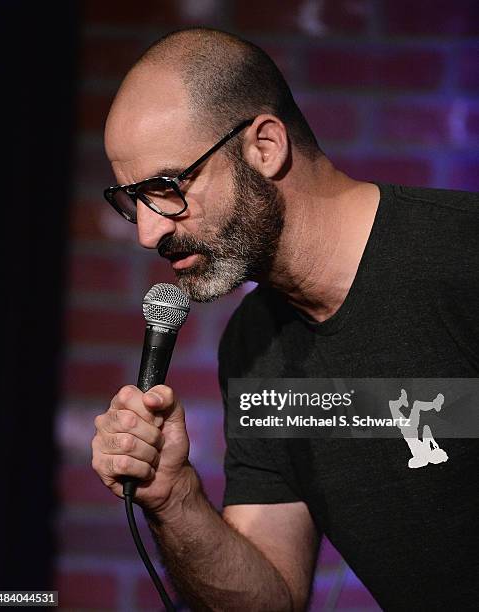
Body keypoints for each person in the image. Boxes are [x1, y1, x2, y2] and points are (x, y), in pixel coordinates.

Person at [91, 27, 479, 610]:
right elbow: (267, 601)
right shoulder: (253, 346)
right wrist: (175, 499)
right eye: (132, 201)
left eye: (167, 188)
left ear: (265, 146)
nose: (149, 232)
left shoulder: (462, 254)